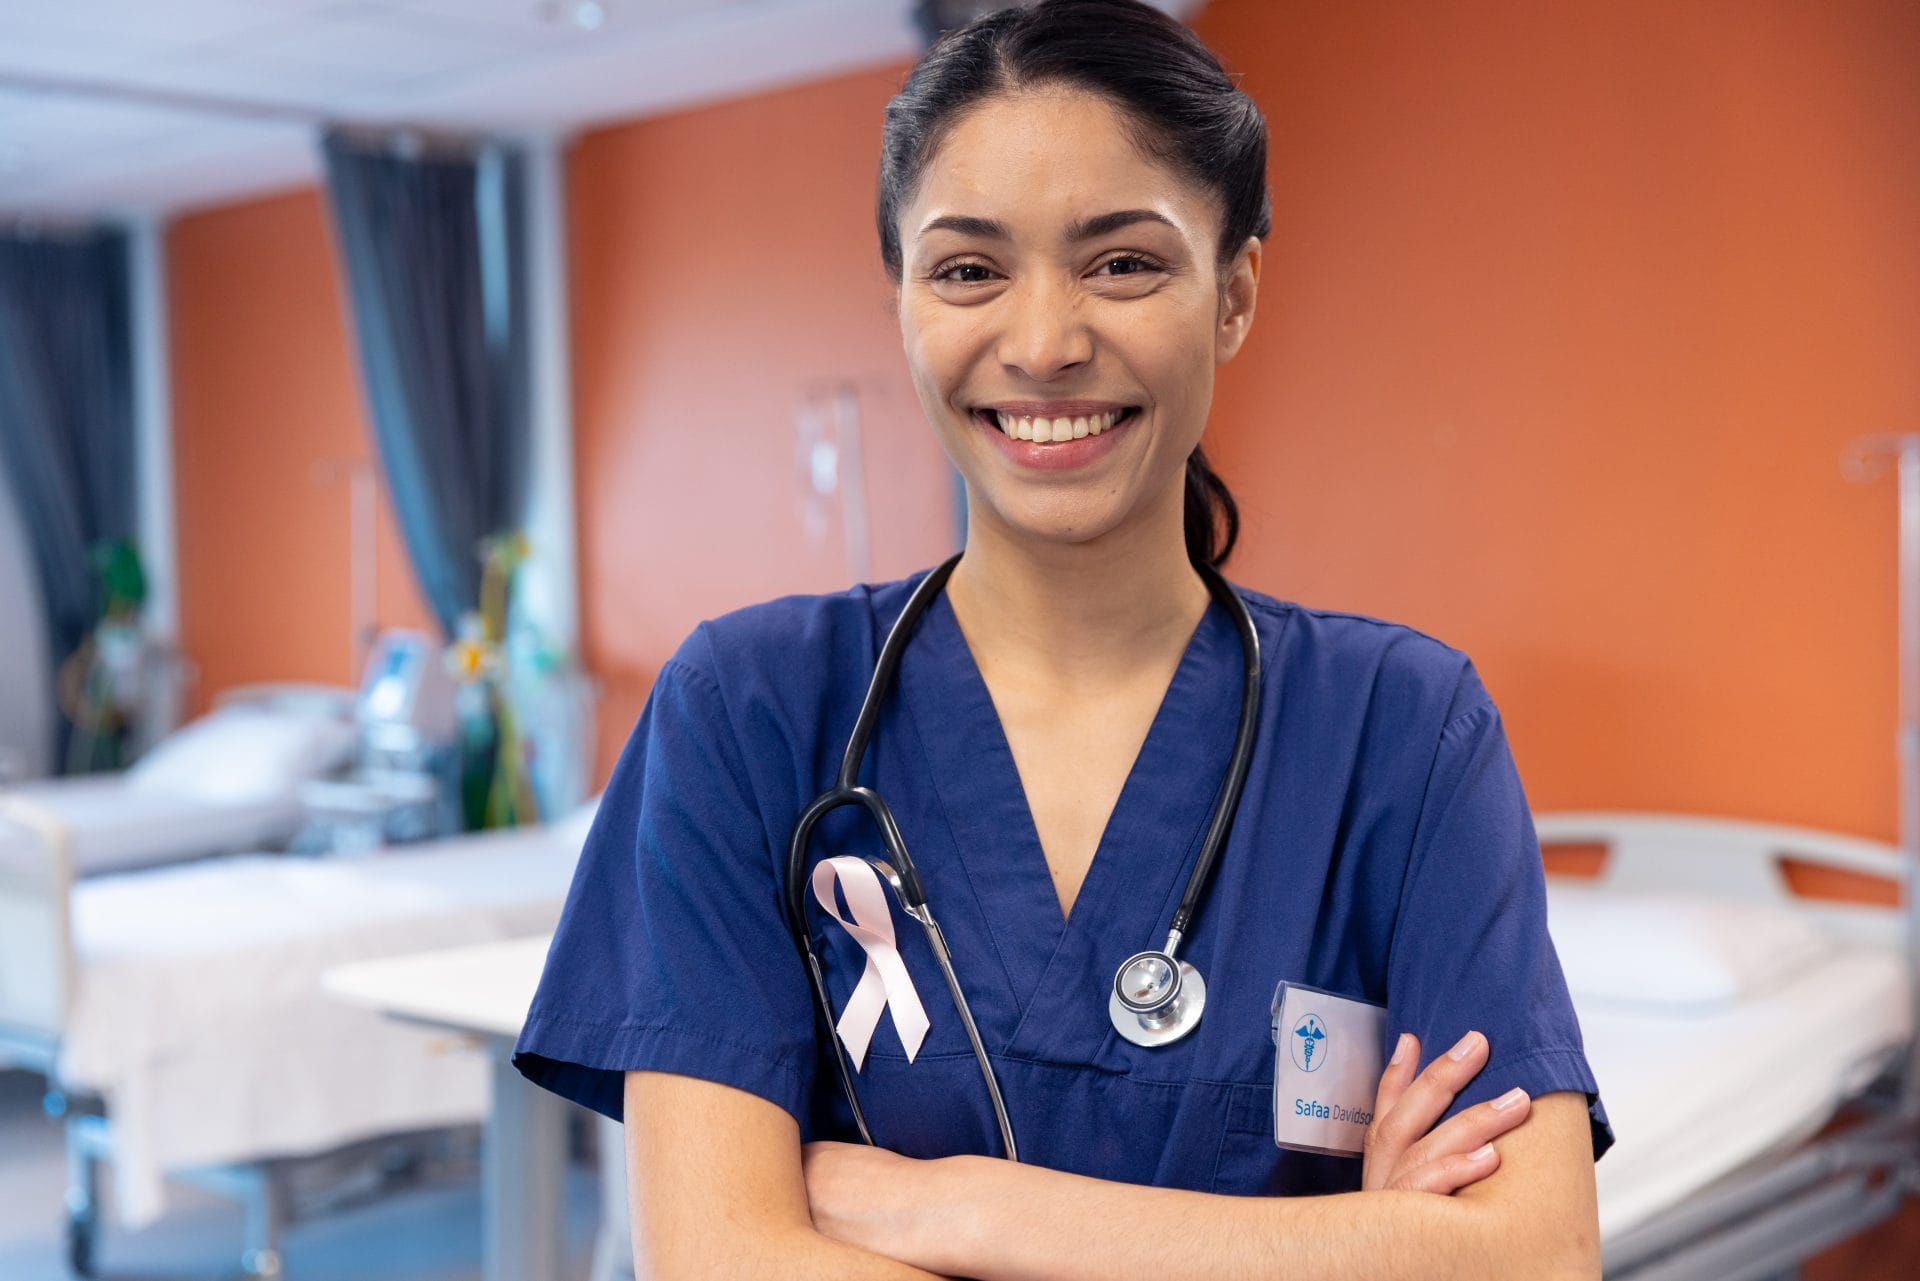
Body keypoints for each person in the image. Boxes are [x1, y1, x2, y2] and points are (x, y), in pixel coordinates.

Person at [514, 2, 1611, 1276]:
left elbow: (1533, 1258)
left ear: (1236, 294)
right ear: (904, 303)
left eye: (1123, 263)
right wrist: (1347, 1245)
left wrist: (962, 1211)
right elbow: (715, 1259)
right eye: (969, 269)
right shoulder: (751, 708)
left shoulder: (1403, 732)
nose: (1042, 344)